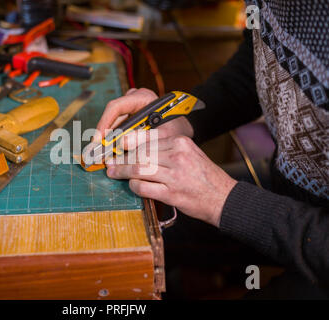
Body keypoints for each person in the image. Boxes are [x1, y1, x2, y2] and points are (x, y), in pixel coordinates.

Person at [95, 0, 328, 298]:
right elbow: (259, 66)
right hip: (287, 188)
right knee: (135, 241)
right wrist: (179, 119)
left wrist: (224, 201)